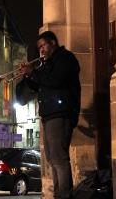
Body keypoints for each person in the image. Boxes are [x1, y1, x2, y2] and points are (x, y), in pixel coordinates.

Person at [18, 31, 81, 199]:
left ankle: (64, 195)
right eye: (39, 47)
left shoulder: (65, 59)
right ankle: (59, 194)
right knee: (52, 160)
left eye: (43, 45)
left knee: (59, 159)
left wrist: (34, 72)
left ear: (52, 42)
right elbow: (38, 85)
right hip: (48, 115)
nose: (41, 50)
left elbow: (55, 80)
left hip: (60, 113)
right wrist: (27, 75)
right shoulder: (47, 64)